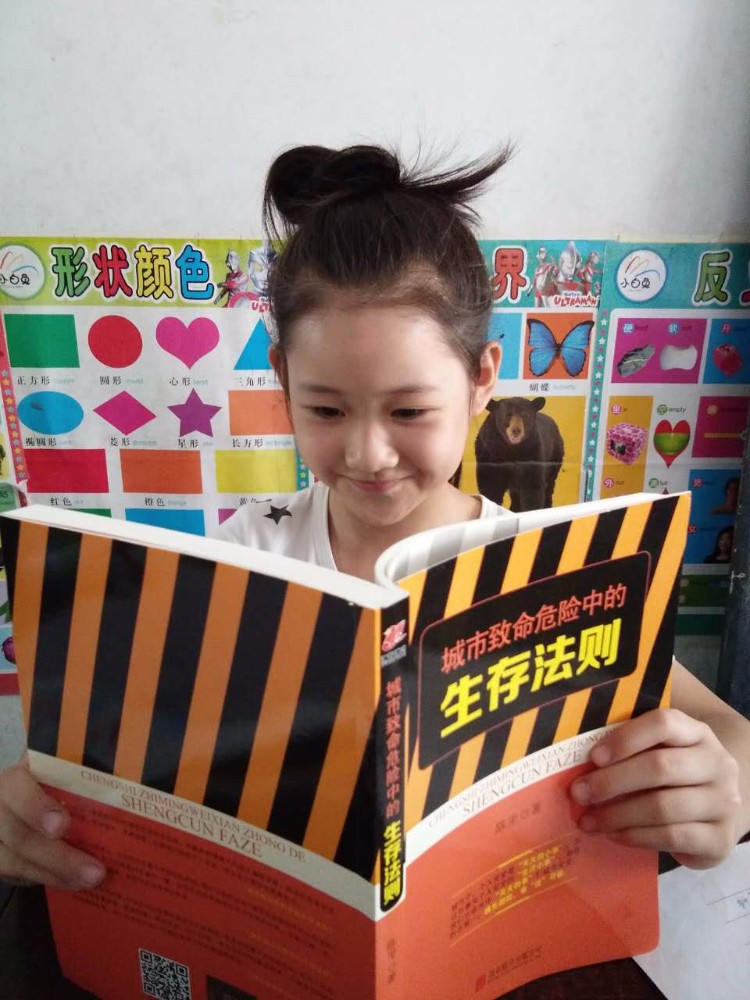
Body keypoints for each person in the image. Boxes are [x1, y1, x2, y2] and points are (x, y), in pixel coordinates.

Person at [1, 144, 749, 892]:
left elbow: (732, 733)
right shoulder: (245, 554)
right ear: (283, 377)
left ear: (481, 379)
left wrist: (724, 790)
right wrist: (37, 805)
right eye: (326, 410)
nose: (368, 454)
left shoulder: (547, 568)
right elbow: (115, 737)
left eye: (409, 411)